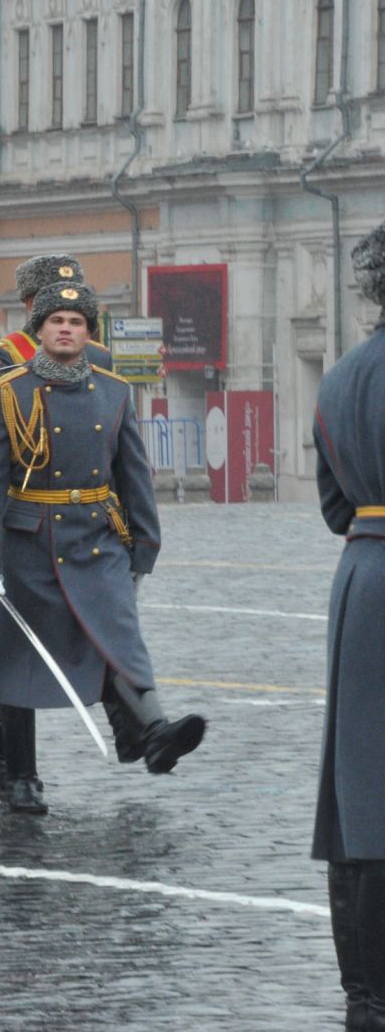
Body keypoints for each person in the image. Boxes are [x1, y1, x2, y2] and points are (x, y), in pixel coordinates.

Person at [0, 281, 203, 815]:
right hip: (29, 540)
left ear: (89, 332)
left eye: (76, 321)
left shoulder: (114, 391)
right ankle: (21, 775)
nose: (66, 328)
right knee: (18, 661)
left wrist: (144, 544)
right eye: (56, 321)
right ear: (39, 331)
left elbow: (133, 473)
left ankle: (154, 731)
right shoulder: (8, 391)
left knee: (118, 634)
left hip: (96, 535)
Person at [310, 221, 385, 1030]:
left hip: (363, 578)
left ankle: (365, 994)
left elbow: (336, 507)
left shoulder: (339, 379)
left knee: (361, 796)